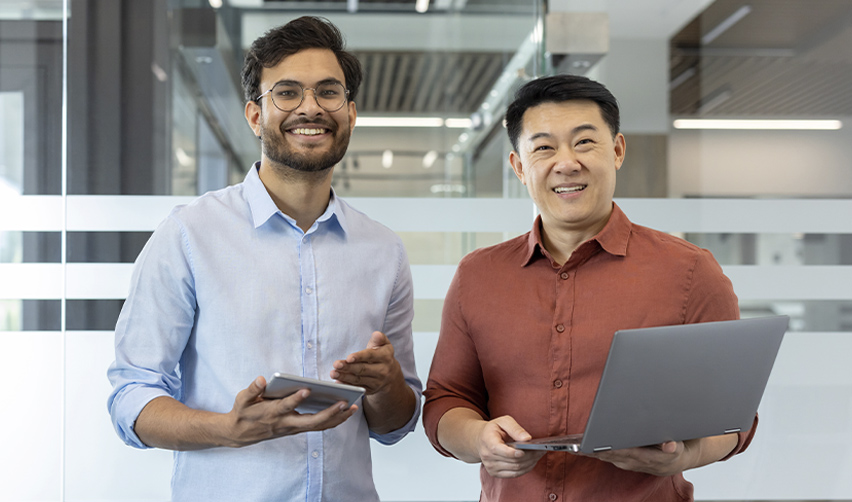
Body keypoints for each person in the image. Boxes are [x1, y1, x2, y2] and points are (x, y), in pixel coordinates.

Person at [107, 16, 421, 502]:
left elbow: (395, 424)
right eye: (287, 93)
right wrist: (225, 429)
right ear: (256, 116)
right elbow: (131, 396)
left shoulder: (383, 251)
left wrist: (387, 385)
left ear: (351, 113)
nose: (311, 108)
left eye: (329, 92)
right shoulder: (190, 234)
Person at [422, 74, 753, 501]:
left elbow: (733, 415)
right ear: (519, 167)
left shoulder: (690, 271)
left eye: (584, 142)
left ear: (616, 151)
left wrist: (685, 456)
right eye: (544, 148)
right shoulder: (478, 275)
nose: (566, 163)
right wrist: (477, 439)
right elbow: (446, 399)